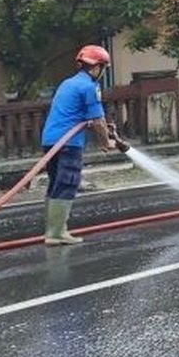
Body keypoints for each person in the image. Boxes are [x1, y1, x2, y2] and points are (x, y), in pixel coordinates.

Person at [39, 44, 122, 245]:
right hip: (68, 142)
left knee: (56, 183)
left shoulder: (68, 83)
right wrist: (106, 142)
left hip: (51, 140)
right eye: (103, 68)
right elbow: (98, 120)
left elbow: (85, 117)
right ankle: (56, 234)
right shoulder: (89, 87)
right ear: (97, 67)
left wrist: (103, 130)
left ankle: (53, 231)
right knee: (68, 182)